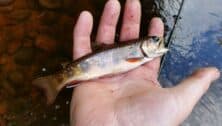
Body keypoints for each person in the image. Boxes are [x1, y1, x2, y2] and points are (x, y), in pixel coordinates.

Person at [70, 0, 220, 125]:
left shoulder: (140, 56)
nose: (158, 42)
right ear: (144, 46)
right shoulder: (138, 56)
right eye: (154, 41)